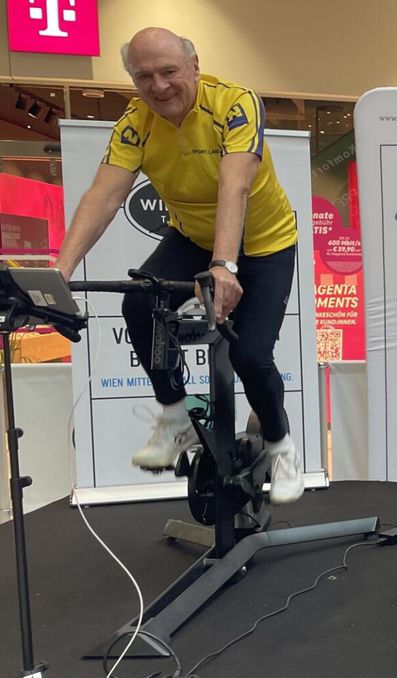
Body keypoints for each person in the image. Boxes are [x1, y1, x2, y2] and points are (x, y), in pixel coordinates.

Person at [54, 27, 304, 503]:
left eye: (169, 72)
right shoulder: (136, 123)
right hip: (192, 237)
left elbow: (236, 185)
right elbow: (104, 196)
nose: (159, 86)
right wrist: (60, 272)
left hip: (265, 243)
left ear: (193, 65)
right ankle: (175, 416)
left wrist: (225, 264)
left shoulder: (235, 103)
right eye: (144, 76)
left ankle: (279, 443)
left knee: (252, 356)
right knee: (138, 303)